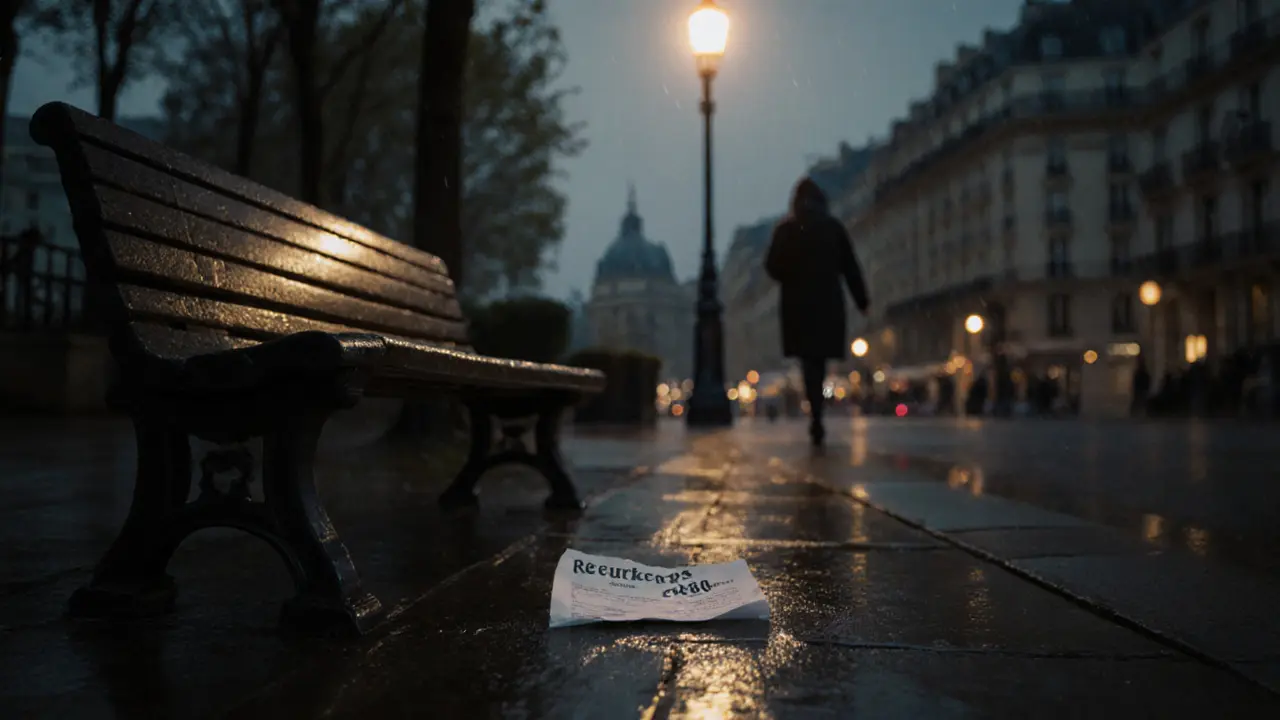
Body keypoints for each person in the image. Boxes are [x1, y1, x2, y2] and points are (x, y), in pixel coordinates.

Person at [765, 177, 869, 447]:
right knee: (819, 361)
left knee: (806, 361)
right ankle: (817, 412)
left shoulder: (786, 229)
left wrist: (792, 274)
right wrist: (862, 300)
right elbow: (850, 267)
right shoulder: (832, 228)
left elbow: (771, 266)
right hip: (827, 304)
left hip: (797, 307)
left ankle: (815, 412)